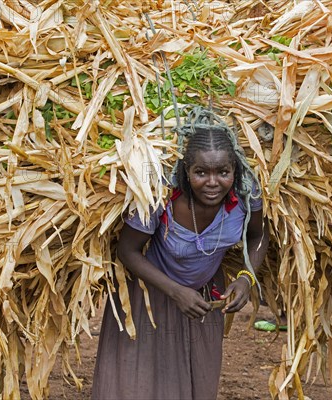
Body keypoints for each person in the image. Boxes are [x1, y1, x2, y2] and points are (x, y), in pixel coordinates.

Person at [92, 107, 269, 400]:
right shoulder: (161, 196)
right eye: (201, 173)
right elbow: (128, 250)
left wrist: (246, 277)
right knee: (138, 381)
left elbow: (258, 236)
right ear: (186, 172)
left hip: (202, 298)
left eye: (222, 172)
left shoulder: (246, 194)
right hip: (146, 297)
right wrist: (175, 292)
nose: (212, 183)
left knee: (195, 381)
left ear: (234, 171)